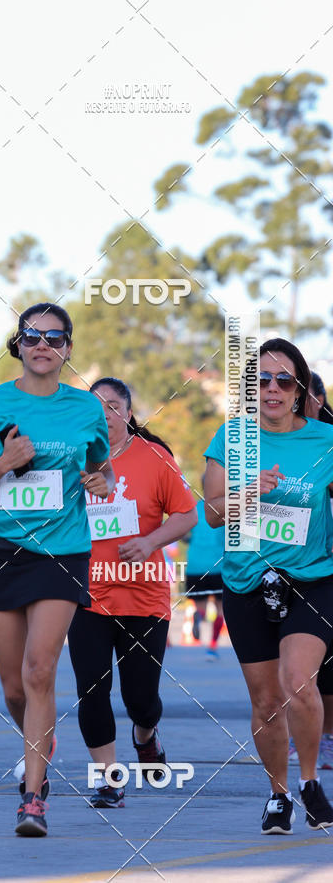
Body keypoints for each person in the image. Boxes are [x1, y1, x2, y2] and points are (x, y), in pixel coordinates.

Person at [0, 302, 114, 836]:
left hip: (63, 551)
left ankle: (31, 798)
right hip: (2, 549)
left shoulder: (87, 410)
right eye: (32, 335)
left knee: (40, 669)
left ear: (68, 349)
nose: (43, 344)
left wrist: (103, 483)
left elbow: (100, 466)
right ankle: (39, 746)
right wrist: (3, 465)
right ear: (17, 344)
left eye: (55, 336)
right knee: (15, 688)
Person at [204, 339, 333, 833]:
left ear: (300, 389)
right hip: (246, 584)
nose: (273, 389)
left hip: (311, 581)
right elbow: (212, 514)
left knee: (297, 682)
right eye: (261, 380)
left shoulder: (324, 442)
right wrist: (244, 493)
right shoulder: (231, 438)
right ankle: (278, 794)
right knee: (264, 700)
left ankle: (308, 782)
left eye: (284, 380)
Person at [68, 377, 197, 808]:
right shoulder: (72, 459)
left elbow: (186, 515)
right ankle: (109, 780)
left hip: (144, 596)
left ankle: (146, 735)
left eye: (112, 405)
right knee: (92, 688)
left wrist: (151, 542)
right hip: (86, 593)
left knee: (140, 698)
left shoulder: (155, 457)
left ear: (128, 411)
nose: (104, 413)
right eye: (95, 406)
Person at [289, 371, 333, 770]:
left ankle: (326, 736)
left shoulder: (328, 442)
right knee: (301, 672)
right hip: (289, 573)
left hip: (324, 572)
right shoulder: (264, 445)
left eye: (304, 395)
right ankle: (307, 736)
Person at [185, 477, 226, 659]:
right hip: (218, 566)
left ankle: (199, 615)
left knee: (200, 604)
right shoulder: (225, 510)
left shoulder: (192, 508)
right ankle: (212, 646)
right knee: (220, 609)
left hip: (195, 565)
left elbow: (182, 533)